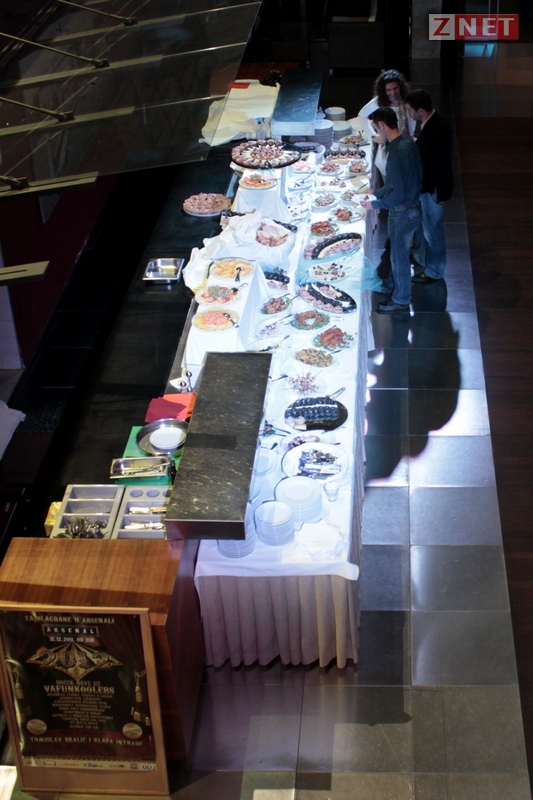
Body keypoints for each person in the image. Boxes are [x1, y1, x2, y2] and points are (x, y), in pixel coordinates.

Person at [361, 107, 422, 313]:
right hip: (411, 209)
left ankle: (401, 299)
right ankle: (395, 287)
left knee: (399, 258)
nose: (377, 132)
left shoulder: (397, 153)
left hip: (403, 213)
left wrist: (375, 204)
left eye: (376, 127)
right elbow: (396, 185)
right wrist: (376, 193)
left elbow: (399, 193)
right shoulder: (406, 143)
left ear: (382, 125)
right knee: (398, 255)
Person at [404, 89, 453, 284]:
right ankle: (422, 258)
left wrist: (423, 189)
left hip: (433, 190)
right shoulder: (432, 123)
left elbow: (435, 165)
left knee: (433, 232)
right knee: (426, 228)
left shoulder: (438, 129)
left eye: (410, 110)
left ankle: (435, 271)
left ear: (420, 111)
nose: (408, 114)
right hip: (429, 188)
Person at [358, 69, 416, 180]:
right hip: (388, 151)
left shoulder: (407, 99)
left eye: (395, 88)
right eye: (388, 90)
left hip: (405, 146)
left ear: (400, 86)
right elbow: (362, 115)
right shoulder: (380, 101)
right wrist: (373, 135)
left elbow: (412, 119)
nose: (393, 93)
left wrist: (412, 134)